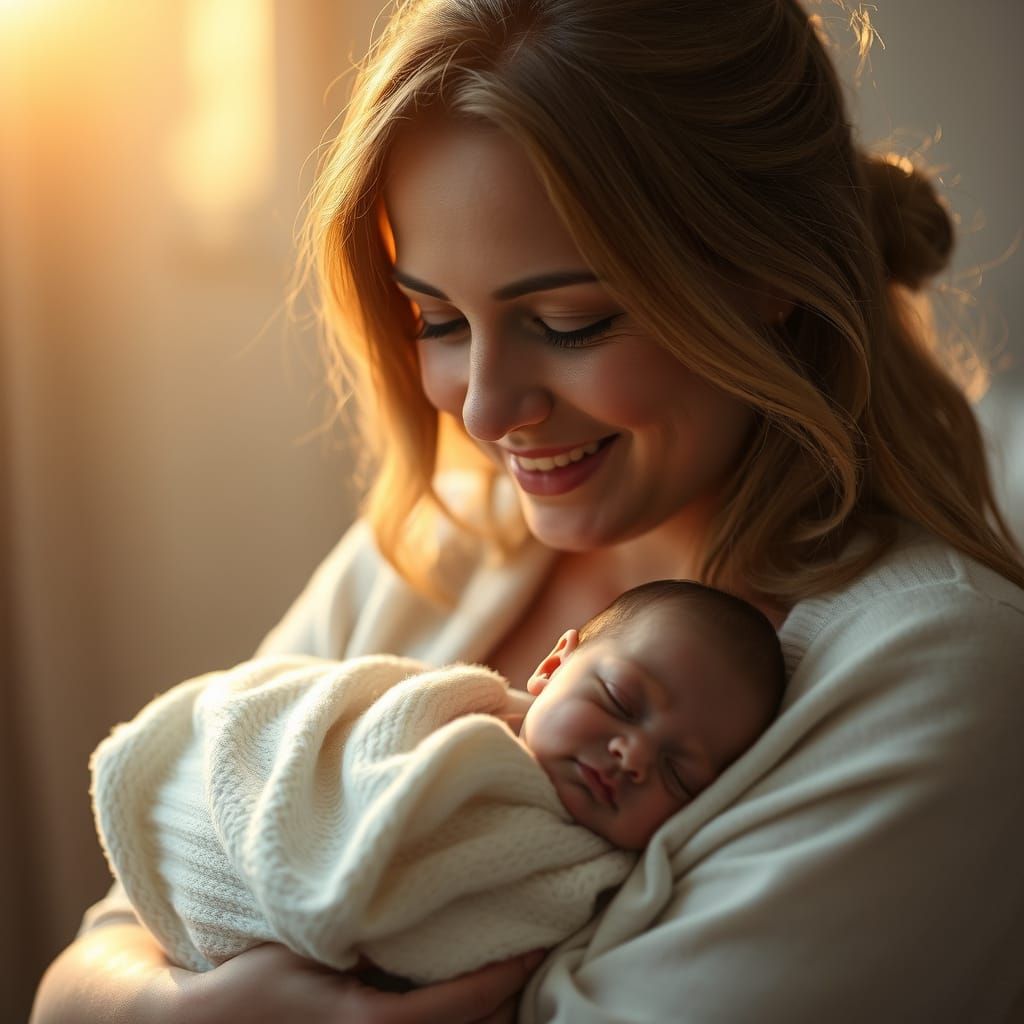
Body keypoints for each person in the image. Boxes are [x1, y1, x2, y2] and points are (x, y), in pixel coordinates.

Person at [32, 1, 1024, 1022]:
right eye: (439, 319)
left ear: (766, 273)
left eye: (568, 320)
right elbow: (94, 952)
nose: (486, 408)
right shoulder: (440, 542)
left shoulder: (934, 674)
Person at [90, 581, 784, 985]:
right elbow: (272, 734)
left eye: (679, 773)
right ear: (550, 667)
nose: (632, 755)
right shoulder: (429, 714)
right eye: (619, 701)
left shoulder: (598, 879)